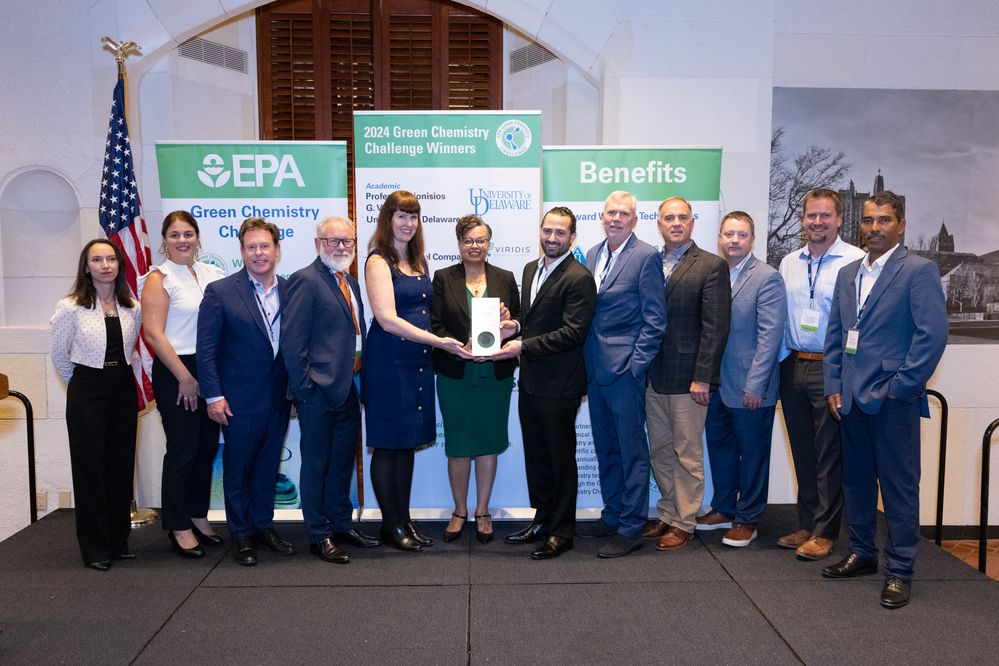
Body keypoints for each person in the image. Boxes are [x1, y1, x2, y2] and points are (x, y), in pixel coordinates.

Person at [822, 191, 947, 609]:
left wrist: (900, 386)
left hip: (893, 400)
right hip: (851, 399)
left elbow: (932, 337)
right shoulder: (848, 273)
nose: (875, 228)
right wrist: (833, 385)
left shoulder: (919, 271)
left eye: (885, 221)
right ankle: (862, 552)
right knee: (855, 482)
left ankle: (900, 570)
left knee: (898, 488)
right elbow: (837, 336)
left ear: (901, 224)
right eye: (869, 220)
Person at [363, 190, 471, 552]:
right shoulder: (378, 260)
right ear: (387, 220)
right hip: (389, 361)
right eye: (401, 216)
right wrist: (438, 342)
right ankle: (390, 525)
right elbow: (387, 319)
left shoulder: (418, 259)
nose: (408, 223)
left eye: (413, 216)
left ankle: (403, 519)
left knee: (406, 445)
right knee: (388, 446)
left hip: (417, 363)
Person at [495, 206, 597, 560]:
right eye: (547, 231)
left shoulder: (579, 277)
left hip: (561, 384)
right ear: (540, 231)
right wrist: (516, 326)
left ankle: (562, 531)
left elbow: (573, 332)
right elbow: (534, 319)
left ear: (572, 237)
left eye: (560, 233)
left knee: (560, 458)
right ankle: (542, 519)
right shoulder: (530, 269)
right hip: (531, 380)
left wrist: (523, 345)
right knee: (537, 456)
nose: (552, 238)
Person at [282, 216, 381, 564]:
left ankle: (341, 524)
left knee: (341, 464)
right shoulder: (304, 281)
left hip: (348, 389)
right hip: (318, 393)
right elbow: (293, 344)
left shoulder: (350, 282)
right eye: (333, 241)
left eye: (347, 242)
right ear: (317, 243)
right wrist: (304, 391)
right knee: (316, 466)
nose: (341, 247)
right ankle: (319, 533)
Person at [197, 218, 293, 566]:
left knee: (268, 466)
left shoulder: (289, 289)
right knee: (238, 469)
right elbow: (206, 350)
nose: (258, 253)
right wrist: (213, 396)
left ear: (277, 250)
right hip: (236, 399)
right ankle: (241, 535)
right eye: (251, 247)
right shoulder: (220, 292)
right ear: (241, 252)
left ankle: (263, 526)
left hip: (279, 397)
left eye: (264, 246)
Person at [576, 191, 666, 558]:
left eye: (623, 213)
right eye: (611, 212)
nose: (616, 218)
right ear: (602, 216)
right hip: (594, 370)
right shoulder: (594, 253)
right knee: (606, 447)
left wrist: (636, 365)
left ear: (634, 219)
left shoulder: (646, 257)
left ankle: (631, 526)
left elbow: (655, 319)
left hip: (625, 372)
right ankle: (612, 513)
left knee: (632, 452)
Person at [777, 188, 864, 560]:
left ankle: (826, 532)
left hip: (830, 367)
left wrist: (845, 375)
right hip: (792, 363)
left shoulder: (856, 260)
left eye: (825, 215)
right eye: (811, 215)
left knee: (830, 453)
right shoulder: (788, 262)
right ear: (803, 220)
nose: (817, 222)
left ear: (839, 219)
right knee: (803, 452)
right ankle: (806, 524)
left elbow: (858, 323)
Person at [643, 196, 730, 551]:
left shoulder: (710, 265)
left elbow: (715, 327)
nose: (675, 223)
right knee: (660, 451)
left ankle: (684, 520)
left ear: (692, 223)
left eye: (682, 217)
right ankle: (666, 511)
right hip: (652, 375)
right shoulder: (649, 262)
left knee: (687, 454)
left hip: (688, 380)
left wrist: (703, 377)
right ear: (659, 224)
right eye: (668, 218)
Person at [50, 239, 141, 571]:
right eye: (97, 259)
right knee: (91, 469)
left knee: (119, 466)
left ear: (119, 265)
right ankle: (95, 547)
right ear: (86, 267)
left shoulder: (132, 305)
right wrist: (82, 384)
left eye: (111, 259)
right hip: (87, 388)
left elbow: (131, 350)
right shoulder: (71, 306)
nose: (105, 265)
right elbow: (60, 357)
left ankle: (118, 541)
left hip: (122, 388)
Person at [139, 211, 224, 559]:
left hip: (210, 367)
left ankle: (197, 514)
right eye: (174, 235)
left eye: (188, 234)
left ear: (198, 237)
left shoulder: (212, 274)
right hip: (177, 370)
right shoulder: (158, 278)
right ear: (165, 240)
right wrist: (184, 377)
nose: (182, 241)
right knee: (183, 449)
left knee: (206, 449)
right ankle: (177, 524)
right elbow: (154, 334)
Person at [431, 215, 520, 545]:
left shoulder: (505, 277)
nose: (475, 245)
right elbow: (435, 326)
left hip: (493, 375)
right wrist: (458, 347)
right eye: (468, 240)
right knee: (458, 445)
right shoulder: (443, 278)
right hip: (456, 373)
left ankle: (482, 510)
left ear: (489, 244)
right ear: (458, 244)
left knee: (488, 443)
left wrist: (512, 322)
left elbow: (521, 321)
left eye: (481, 240)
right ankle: (459, 510)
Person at [701, 212, 786, 547]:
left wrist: (757, 384)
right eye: (728, 234)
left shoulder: (766, 277)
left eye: (741, 235)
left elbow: (770, 337)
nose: (733, 241)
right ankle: (724, 507)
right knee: (720, 449)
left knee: (752, 454)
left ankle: (748, 518)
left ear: (752, 239)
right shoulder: (715, 274)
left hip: (751, 387)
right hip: (716, 384)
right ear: (720, 238)